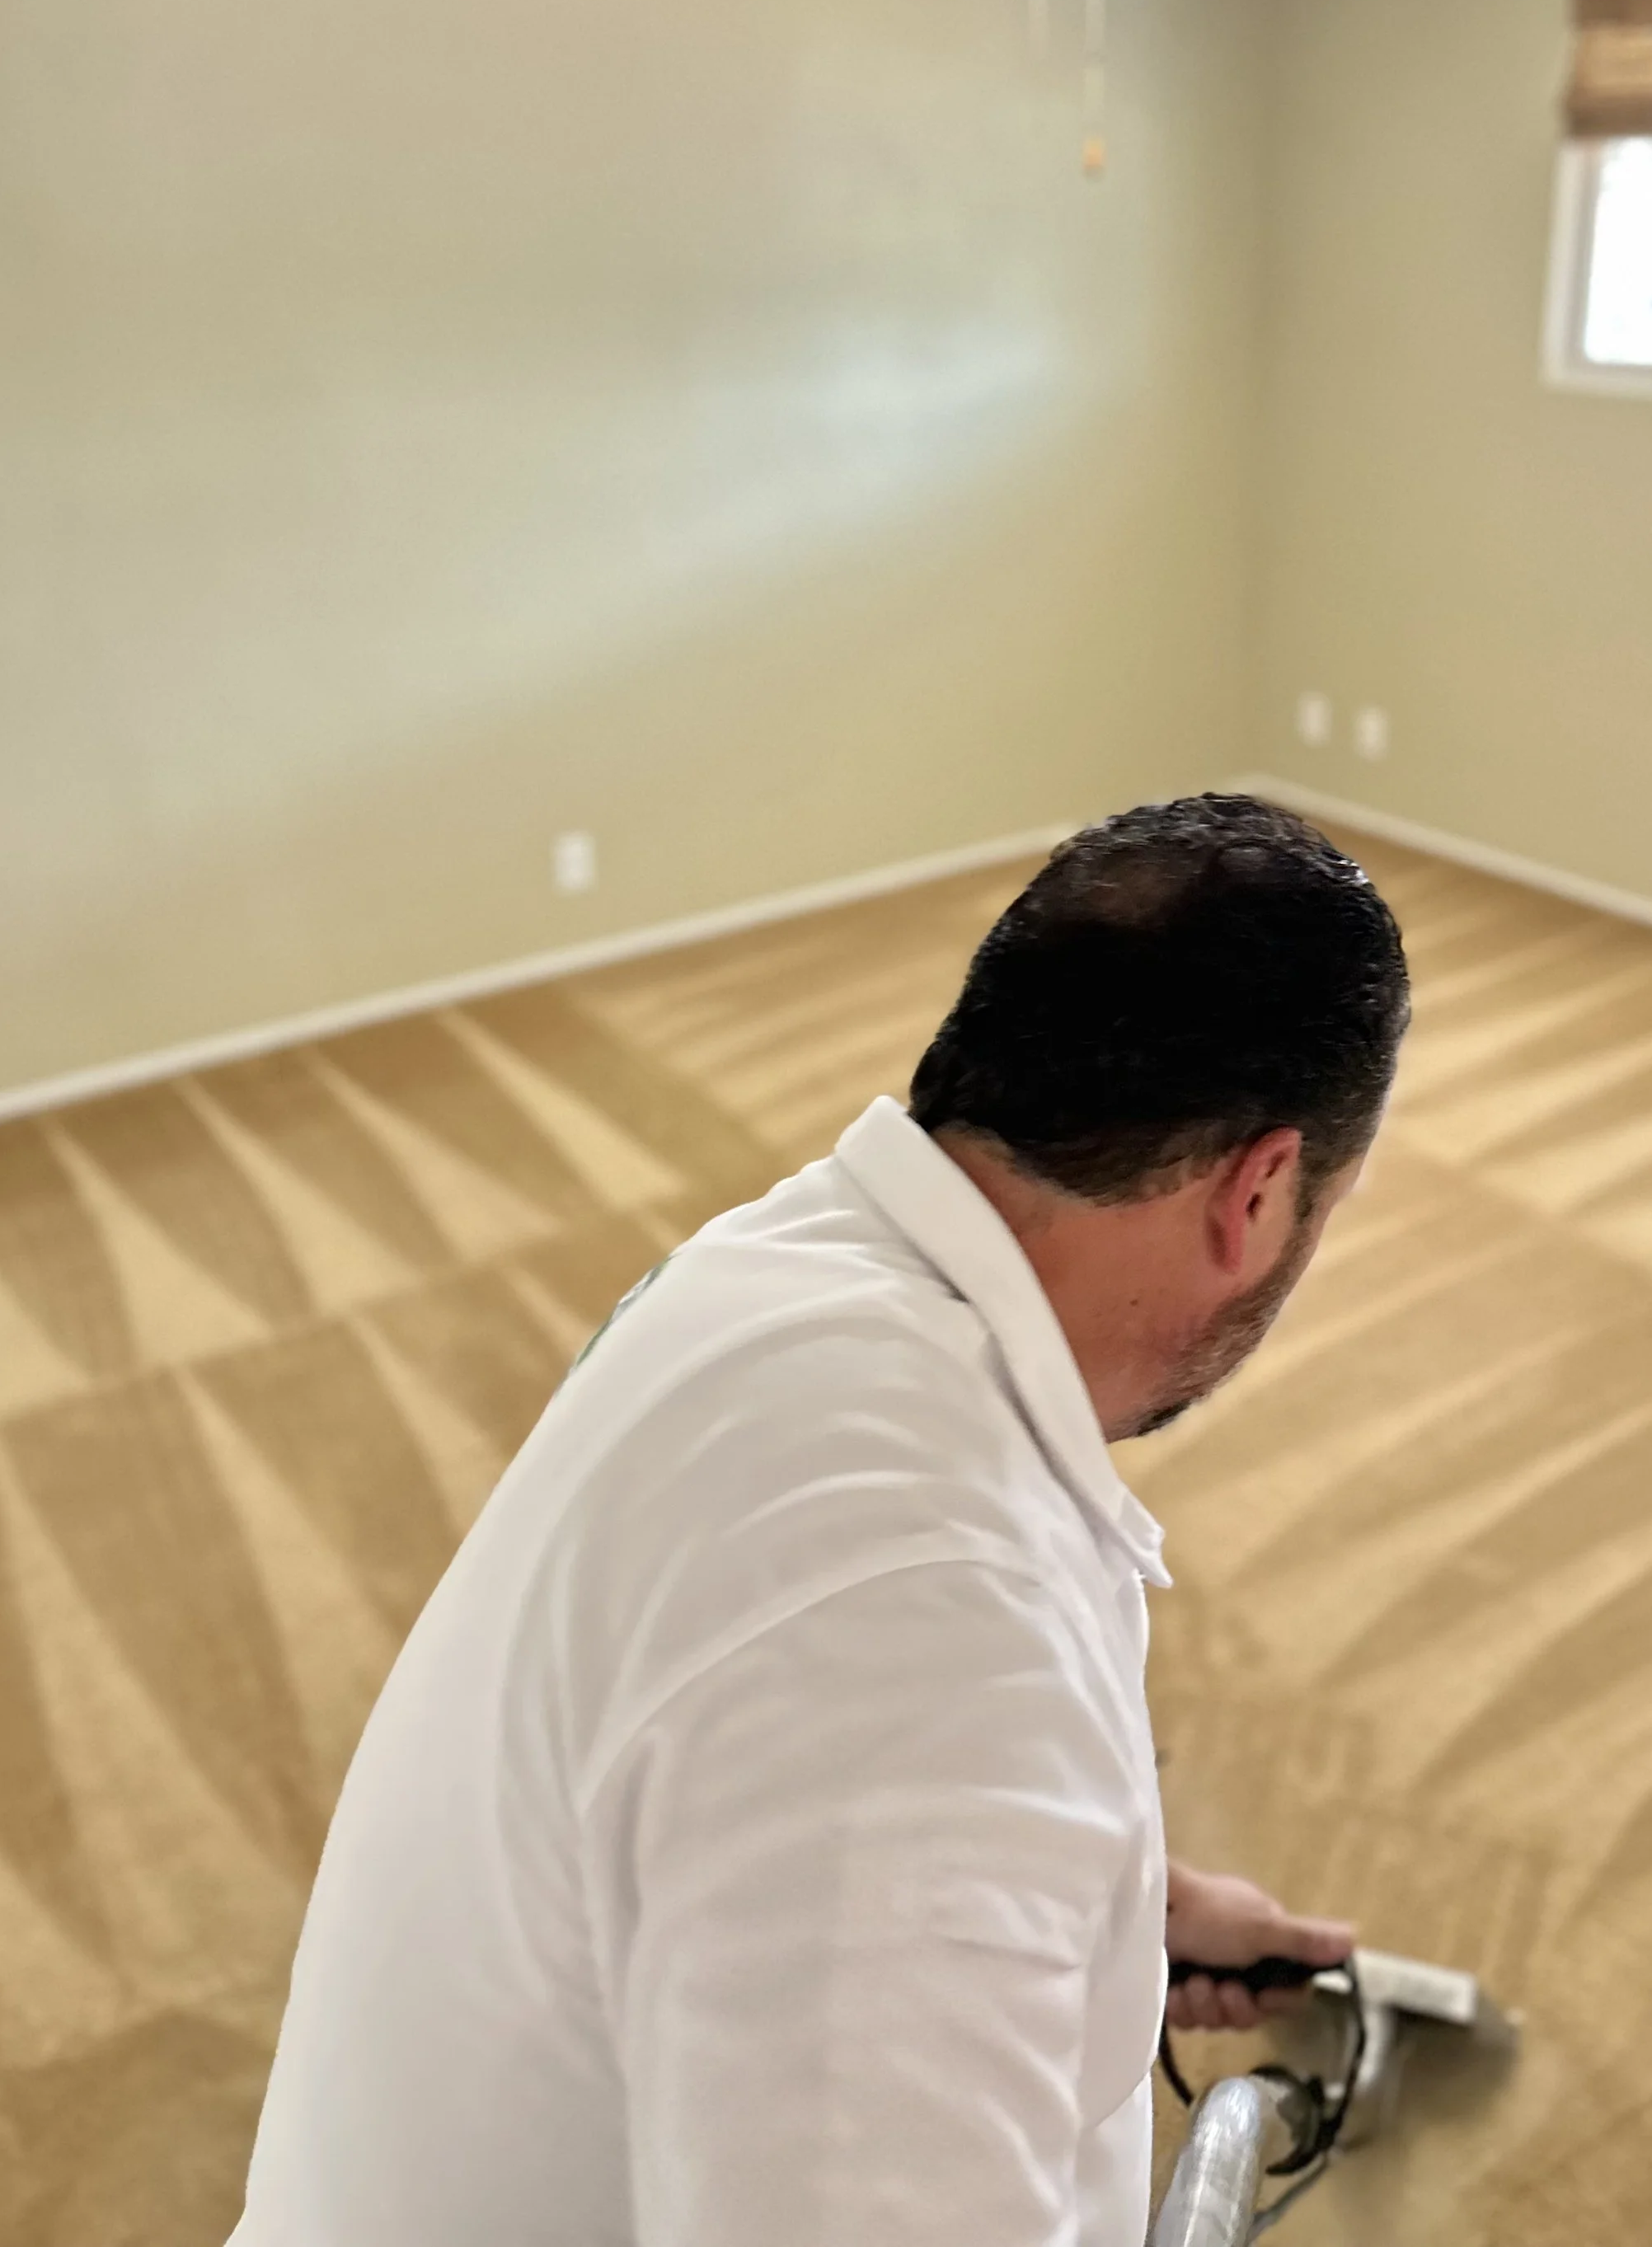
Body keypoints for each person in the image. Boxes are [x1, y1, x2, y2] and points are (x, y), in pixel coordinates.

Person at [231, 792, 1410, 2247]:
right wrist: (971, 1857)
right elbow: (875, 1707)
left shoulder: (766, 1279)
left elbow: (770, 1777)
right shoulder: (932, 1620)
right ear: (1260, 1191)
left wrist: (1081, 1907)